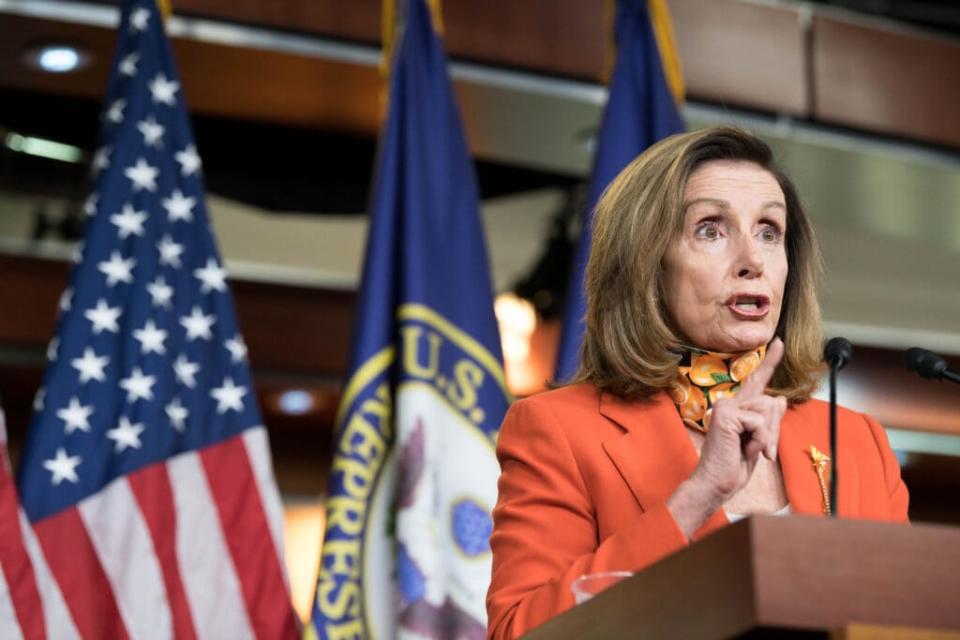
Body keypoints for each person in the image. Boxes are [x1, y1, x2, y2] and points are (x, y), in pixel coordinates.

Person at [485, 127, 909, 639]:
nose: (752, 261)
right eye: (711, 229)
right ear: (647, 263)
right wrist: (698, 496)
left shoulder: (858, 441)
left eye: (769, 232)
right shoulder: (558, 430)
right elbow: (521, 632)